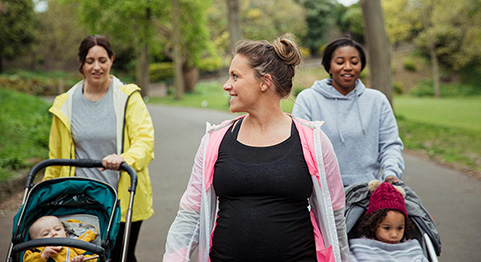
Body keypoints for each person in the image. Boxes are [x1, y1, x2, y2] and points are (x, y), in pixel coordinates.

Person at [163, 34, 349, 262]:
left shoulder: (314, 142)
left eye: (235, 76)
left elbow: (335, 216)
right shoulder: (215, 141)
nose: (226, 85)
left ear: (264, 82)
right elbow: (191, 214)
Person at [43, 35, 155, 262]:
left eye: (102, 60)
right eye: (90, 61)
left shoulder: (128, 98)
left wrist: (125, 159)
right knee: (82, 257)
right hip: (79, 200)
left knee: (120, 256)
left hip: (122, 197)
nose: (96, 67)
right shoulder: (65, 104)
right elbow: (55, 157)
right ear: (81, 63)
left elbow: (145, 141)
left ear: (111, 60)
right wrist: (46, 197)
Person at [292, 37, 404, 186]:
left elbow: (390, 145)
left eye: (354, 62)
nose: (348, 67)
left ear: (362, 66)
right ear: (329, 66)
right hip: (323, 192)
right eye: (340, 62)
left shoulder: (377, 100)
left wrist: (391, 174)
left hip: (369, 188)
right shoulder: (308, 99)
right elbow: (299, 147)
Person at [349, 181, 428, 262]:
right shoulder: (360, 248)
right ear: (372, 225)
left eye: (400, 228)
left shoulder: (412, 250)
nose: (394, 235)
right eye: (387, 228)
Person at [23, 216, 98, 262]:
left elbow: (95, 258)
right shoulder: (36, 252)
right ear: (35, 243)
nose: (54, 233)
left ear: (65, 233)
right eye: (46, 234)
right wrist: (42, 256)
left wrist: (82, 259)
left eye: (57, 229)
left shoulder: (74, 246)